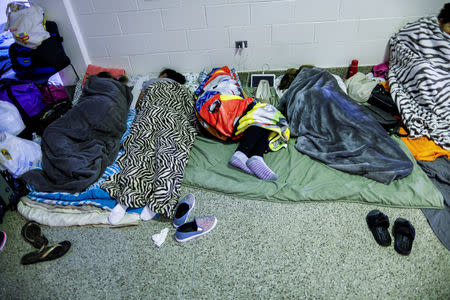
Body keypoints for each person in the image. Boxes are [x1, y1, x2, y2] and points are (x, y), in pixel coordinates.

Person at [108, 68, 188, 226]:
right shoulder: (185, 91)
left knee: (140, 153)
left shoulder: (151, 83)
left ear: (163, 75)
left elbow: (138, 105)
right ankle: (158, 202)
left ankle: (125, 200)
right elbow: (189, 113)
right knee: (171, 156)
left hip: (149, 116)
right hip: (174, 119)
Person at [195, 66, 290, 181]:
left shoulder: (230, 79)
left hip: (224, 106)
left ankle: (255, 157)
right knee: (266, 112)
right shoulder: (218, 79)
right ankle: (244, 153)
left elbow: (240, 93)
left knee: (262, 116)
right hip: (218, 102)